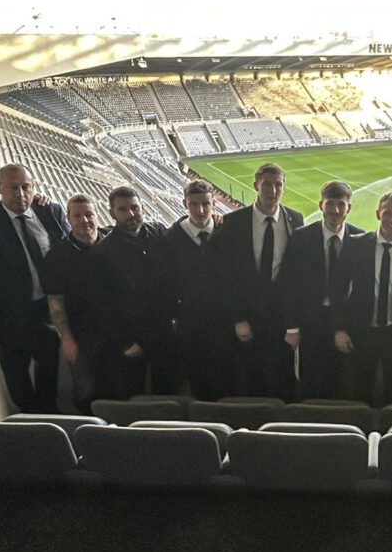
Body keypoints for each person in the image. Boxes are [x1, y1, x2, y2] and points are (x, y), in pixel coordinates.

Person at [0, 164, 69, 413]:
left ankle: (46, 410)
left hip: (46, 305)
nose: (21, 194)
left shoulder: (49, 211)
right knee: (15, 365)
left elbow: (66, 248)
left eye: (26, 187)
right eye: (13, 188)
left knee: (49, 351)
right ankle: (31, 413)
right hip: (7, 311)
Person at [211, 163, 304, 401]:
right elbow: (226, 276)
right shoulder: (234, 223)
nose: (273, 190)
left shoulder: (295, 219)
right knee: (248, 378)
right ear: (256, 186)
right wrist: (238, 319)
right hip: (248, 318)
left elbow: (297, 277)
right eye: (267, 185)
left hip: (282, 319)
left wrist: (293, 325)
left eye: (278, 185)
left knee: (282, 379)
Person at [333, 191, 392, 407]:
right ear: (378, 214)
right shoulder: (355, 246)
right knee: (360, 391)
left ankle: (391, 435)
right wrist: (339, 329)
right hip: (362, 333)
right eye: (387, 213)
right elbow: (338, 289)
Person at [93, 186, 181, 398]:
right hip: (131, 337)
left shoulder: (159, 234)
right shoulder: (103, 252)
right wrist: (124, 341)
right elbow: (103, 304)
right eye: (123, 210)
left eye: (135, 208)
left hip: (164, 331)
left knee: (167, 391)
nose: (131, 214)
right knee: (132, 392)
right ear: (112, 213)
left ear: (143, 207)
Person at [281, 180, 365, 399]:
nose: (335, 211)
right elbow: (289, 285)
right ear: (321, 206)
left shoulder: (360, 239)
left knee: (341, 382)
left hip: (345, 325)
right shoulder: (301, 237)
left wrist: (347, 327)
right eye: (330, 204)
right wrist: (292, 327)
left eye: (341, 205)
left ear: (349, 208)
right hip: (310, 322)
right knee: (309, 380)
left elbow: (362, 289)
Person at [41, 193, 110, 413]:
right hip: (82, 335)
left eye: (88, 214)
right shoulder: (57, 256)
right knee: (85, 390)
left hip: (117, 333)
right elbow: (55, 303)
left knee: (118, 388)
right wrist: (67, 339)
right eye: (77, 216)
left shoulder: (113, 241)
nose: (84, 221)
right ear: (68, 219)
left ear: (97, 215)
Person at [163, 181, 230, 401]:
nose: (200, 210)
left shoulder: (227, 232)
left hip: (225, 321)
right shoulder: (170, 238)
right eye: (194, 204)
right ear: (184, 204)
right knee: (197, 375)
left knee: (226, 374)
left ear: (214, 204)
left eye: (205, 204)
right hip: (190, 321)